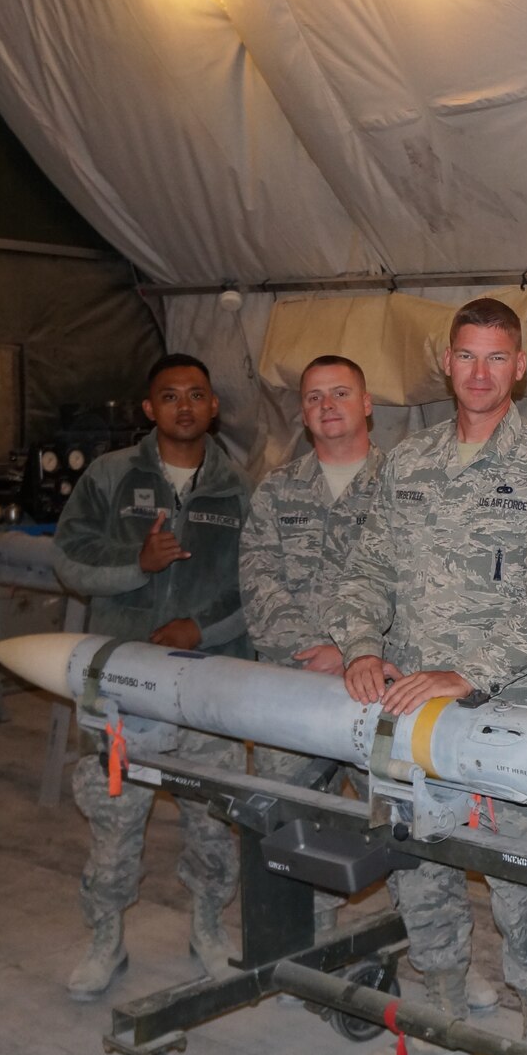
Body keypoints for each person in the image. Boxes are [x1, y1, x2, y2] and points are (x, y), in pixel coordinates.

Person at [329, 297, 527, 1055]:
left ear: (519, 367)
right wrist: (361, 643)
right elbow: (366, 567)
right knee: (421, 867)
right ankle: (438, 1015)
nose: (479, 372)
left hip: (509, 718)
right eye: (466, 357)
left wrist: (464, 671)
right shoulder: (404, 465)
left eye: (496, 358)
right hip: (409, 714)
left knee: (520, 884)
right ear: (446, 363)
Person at [52, 353, 251, 1001]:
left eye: (197, 394)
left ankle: (207, 929)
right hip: (124, 685)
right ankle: (105, 938)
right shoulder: (111, 478)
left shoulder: (240, 487)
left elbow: (258, 585)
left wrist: (203, 628)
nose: (184, 407)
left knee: (212, 823)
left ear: (213, 405)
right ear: (148, 408)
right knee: (114, 818)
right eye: (170, 396)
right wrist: (136, 563)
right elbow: (70, 559)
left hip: (206, 685)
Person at [238, 356, 383, 933]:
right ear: (302, 412)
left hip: (380, 690)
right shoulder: (277, 491)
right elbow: (257, 580)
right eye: (315, 397)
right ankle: (307, 944)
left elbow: (424, 586)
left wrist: (352, 651)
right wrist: (316, 652)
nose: (328, 405)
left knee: (409, 828)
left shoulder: (406, 487)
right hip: (295, 689)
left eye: (341, 392)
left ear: (367, 403)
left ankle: (439, 961)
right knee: (292, 827)